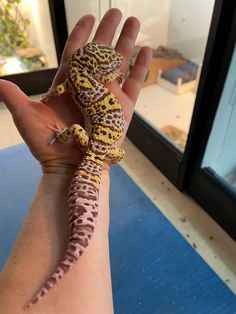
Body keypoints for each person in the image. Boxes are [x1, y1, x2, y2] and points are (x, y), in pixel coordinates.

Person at [0, 8, 152, 313]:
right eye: (108, 66)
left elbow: (58, 89)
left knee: (85, 149)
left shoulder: (71, 79)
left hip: (94, 145)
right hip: (106, 149)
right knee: (99, 160)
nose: (114, 69)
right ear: (96, 70)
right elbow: (107, 76)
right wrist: (99, 160)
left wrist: (52, 106)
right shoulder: (93, 82)